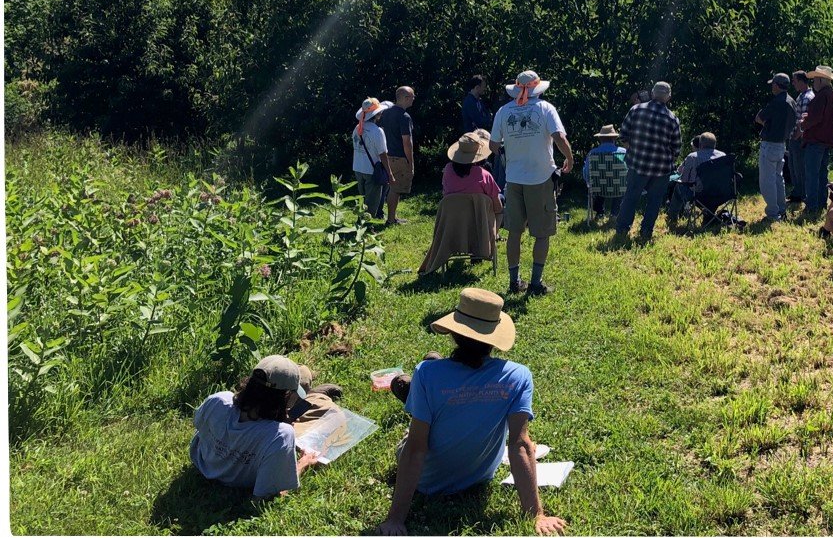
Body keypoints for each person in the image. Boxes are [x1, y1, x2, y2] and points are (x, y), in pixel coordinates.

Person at [377, 289, 567, 537]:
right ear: (494, 338)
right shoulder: (518, 376)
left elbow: (415, 448)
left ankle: (420, 388)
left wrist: (395, 519)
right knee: (434, 386)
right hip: (478, 476)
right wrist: (537, 514)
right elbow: (520, 445)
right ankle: (424, 389)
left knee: (417, 418)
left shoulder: (425, 373)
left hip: (427, 482)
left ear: (454, 333)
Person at [189, 355, 342, 499]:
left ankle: (310, 391)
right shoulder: (280, 434)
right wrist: (304, 463)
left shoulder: (218, 400)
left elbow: (199, 426)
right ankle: (317, 395)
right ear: (286, 396)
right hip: (269, 432)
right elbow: (272, 493)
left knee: (302, 374)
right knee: (331, 411)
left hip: (204, 463)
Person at [489, 71, 574, 296]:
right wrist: (569, 157)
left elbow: (493, 144)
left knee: (514, 232)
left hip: (514, 178)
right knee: (542, 232)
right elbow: (558, 136)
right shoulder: (546, 108)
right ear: (538, 89)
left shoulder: (503, 111)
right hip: (541, 178)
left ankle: (514, 281)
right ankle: (536, 283)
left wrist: (509, 156)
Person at [615, 81, 682, 240]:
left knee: (630, 197)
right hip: (661, 168)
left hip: (637, 164)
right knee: (654, 201)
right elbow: (676, 148)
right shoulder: (672, 119)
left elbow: (623, 135)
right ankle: (646, 231)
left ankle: (622, 230)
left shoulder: (636, 110)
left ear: (652, 93)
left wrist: (634, 150)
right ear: (668, 97)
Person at [799, 66, 833, 214]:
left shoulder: (822, 96)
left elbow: (815, 118)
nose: (814, 82)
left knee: (812, 174)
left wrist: (804, 122)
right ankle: (821, 202)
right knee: (822, 174)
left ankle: (811, 206)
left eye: (816, 79)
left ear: (822, 80)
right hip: (827, 140)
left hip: (816, 139)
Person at [755, 72, 796, 221]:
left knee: (767, 180)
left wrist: (768, 124)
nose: (772, 87)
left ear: (777, 85)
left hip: (770, 144)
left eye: (773, 84)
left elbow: (759, 117)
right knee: (779, 179)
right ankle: (781, 209)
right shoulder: (792, 101)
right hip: (782, 144)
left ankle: (772, 213)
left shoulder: (777, 101)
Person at [444, 132, 504, 229]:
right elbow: (497, 208)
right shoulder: (484, 175)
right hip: (479, 222)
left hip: (454, 220)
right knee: (501, 199)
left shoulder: (447, 170)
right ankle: (492, 237)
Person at [379, 86, 416, 226]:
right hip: (400, 157)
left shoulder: (386, 113)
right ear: (406, 97)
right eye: (412, 96)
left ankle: (392, 217)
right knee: (396, 189)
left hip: (387, 155)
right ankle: (390, 220)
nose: (414, 99)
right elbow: (407, 142)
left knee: (393, 188)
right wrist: (410, 162)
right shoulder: (404, 117)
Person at [352, 98, 394, 220]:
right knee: (371, 202)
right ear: (377, 115)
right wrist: (390, 174)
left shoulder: (357, 128)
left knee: (363, 198)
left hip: (358, 168)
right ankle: (367, 226)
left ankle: (360, 222)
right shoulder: (377, 131)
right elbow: (383, 155)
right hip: (371, 170)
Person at [667, 133, 724, 218]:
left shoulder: (693, 157)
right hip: (719, 194)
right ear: (714, 144)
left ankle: (672, 216)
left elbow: (685, 179)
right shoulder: (722, 156)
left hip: (698, 194)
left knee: (678, 187)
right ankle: (709, 215)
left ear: (700, 144)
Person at [582, 125, 627, 218]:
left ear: (600, 138)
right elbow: (629, 171)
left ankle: (600, 212)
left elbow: (586, 173)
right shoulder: (623, 153)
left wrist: (588, 182)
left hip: (599, 188)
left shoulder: (592, 153)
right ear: (614, 138)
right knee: (620, 184)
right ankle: (615, 213)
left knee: (598, 182)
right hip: (619, 187)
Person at [786, 70, 813, 203]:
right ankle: (798, 191)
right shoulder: (802, 96)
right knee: (794, 166)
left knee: (799, 166)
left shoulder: (806, 98)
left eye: (794, 81)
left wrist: (797, 135)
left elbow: (804, 120)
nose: (793, 83)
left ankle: (801, 193)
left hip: (799, 138)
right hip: (796, 137)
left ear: (802, 81)